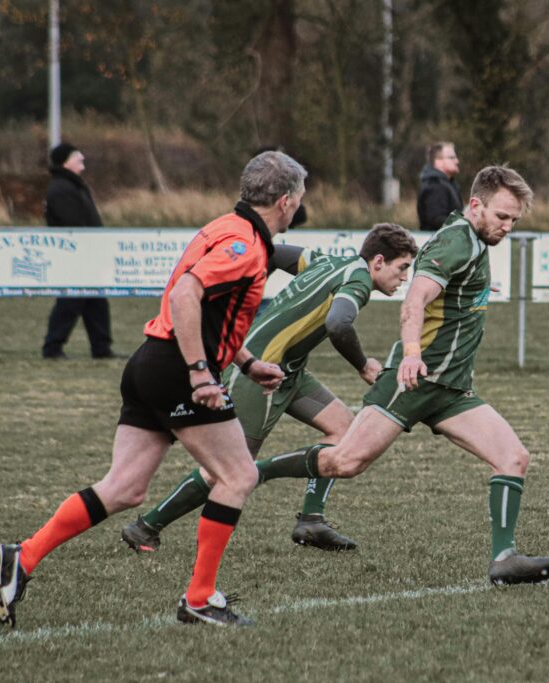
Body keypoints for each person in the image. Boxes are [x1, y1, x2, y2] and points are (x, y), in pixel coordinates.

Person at [0, 151, 304, 628]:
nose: (299, 208)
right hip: (177, 370)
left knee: (124, 488)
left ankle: (24, 556)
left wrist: (244, 361)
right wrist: (201, 373)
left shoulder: (224, 227)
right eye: (299, 199)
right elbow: (185, 297)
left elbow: (209, 309)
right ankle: (199, 599)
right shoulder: (246, 247)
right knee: (238, 476)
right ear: (284, 201)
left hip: (150, 362)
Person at [266, 165, 549, 586]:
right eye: (502, 217)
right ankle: (255, 472)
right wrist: (409, 354)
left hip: (452, 390)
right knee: (344, 461)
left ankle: (504, 557)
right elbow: (415, 300)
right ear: (475, 205)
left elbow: (448, 295)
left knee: (513, 457)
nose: (508, 227)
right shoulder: (455, 240)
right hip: (414, 380)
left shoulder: (475, 245)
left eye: (515, 220)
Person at [120, 224, 418, 554]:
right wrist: (363, 365)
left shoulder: (326, 260)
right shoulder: (358, 280)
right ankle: (146, 526)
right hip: (260, 373)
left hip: (290, 373)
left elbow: (273, 255)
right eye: (402, 267)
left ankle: (311, 520)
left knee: (344, 431)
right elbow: (338, 323)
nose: (404, 278)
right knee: (229, 468)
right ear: (378, 261)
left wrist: (252, 299)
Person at [40, 143, 120, 359]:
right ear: (66, 162)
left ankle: (101, 348)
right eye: (78, 160)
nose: (83, 164)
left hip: (88, 254)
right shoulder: (61, 189)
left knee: (95, 301)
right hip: (74, 256)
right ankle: (52, 347)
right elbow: (73, 224)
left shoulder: (73, 186)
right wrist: (89, 245)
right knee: (70, 301)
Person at [416, 142, 462, 231]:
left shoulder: (447, 183)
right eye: (452, 158)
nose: (457, 161)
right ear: (438, 162)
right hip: (439, 243)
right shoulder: (435, 185)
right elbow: (436, 220)